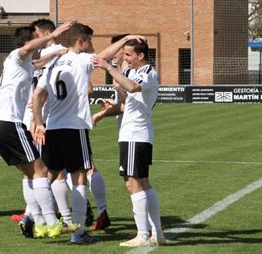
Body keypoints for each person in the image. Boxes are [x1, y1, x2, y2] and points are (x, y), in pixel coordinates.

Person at [32, 24, 140, 243]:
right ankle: (79, 232)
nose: (91, 47)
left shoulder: (53, 63)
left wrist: (39, 122)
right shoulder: (80, 60)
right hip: (74, 127)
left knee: (49, 175)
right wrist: (126, 37)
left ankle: (38, 218)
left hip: (52, 127)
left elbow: (37, 96)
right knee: (80, 176)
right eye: (89, 41)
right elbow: (103, 57)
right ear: (80, 41)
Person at [0, 22, 71, 239]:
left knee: (29, 175)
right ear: (28, 42)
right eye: (35, 38)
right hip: (9, 123)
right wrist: (52, 35)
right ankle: (52, 222)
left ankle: (41, 223)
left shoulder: (23, 64)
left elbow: (36, 63)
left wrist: (55, 55)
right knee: (41, 170)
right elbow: (27, 50)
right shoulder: (17, 54)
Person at [92, 37, 166, 247]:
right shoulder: (130, 72)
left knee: (132, 183)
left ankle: (143, 235)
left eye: (128, 55)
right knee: (142, 182)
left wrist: (108, 67)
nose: (125, 58)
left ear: (140, 55)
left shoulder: (147, 72)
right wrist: (107, 109)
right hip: (131, 133)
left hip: (136, 134)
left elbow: (133, 88)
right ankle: (157, 233)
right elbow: (126, 104)